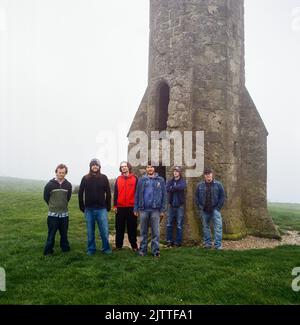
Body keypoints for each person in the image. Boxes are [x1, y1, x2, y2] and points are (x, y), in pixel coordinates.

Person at [78, 159, 112, 255]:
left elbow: (108, 193)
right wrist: (82, 206)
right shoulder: (85, 178)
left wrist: (108, 205)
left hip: (101, 209)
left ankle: (106, 249)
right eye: (93, 165)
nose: (95, 167)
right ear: (90, 167)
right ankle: (91, 249)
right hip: (89, 209)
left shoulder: (104, 178)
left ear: (99, 167)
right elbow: (80, 193)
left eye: (96, 165)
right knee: (90, 231)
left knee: (104, 231)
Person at [134, 162, 167, 257]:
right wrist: (136, 208)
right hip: (143, 209)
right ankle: (142, 250)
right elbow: (137, 195)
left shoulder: (160, 180)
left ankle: (155, 251)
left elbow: (164, 195)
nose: (150, 169)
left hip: (155, 210)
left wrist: (162, 210)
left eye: (152, 167)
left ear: (154, 168)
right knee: (143, 231)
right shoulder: (141, 180)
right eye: (148, 167)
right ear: (146, 169)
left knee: (155, 232)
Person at [43, 164, 72, 255]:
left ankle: (65, 249)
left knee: (64, 234)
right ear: (56, 172)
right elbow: (46, 197)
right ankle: (48, 251)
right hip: (53, 215)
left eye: (63, 173)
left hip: (64, 215)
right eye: (59, 172)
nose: (61, 174)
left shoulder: (68, 185)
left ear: (65, 173)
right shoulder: (49, 185)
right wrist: (53, 205)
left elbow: (68, 197)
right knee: (51, 234)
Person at [195, 167, 225, 250]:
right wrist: (200, 207)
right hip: (204, 210)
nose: (208, 175)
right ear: (204, 176)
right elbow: (196, 197)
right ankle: (207, 244)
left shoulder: (218, 184)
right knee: (205, 228)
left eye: (209, 174)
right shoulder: (199, 185)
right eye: (206, 174)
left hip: (215, 210)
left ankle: (218, 245)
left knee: (218, 227)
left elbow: (222, 197)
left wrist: (218, 208)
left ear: (212, 174)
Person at [113, 161, 138, 251]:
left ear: (128, 167)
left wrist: (137, 207)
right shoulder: (118, 179)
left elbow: (137, 194)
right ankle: (118, 246)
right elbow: (115, 193)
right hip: (120, 208)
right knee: (119, 228)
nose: (124, 168)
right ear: (121, 169)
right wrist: (115, 206)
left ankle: (134, 246)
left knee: (132, 228)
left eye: (125, 166)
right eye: (122, 166)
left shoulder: (135, 178)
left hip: (131, 208)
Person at [166, 166, 187, 247]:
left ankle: (178, 242)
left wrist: (173, 187)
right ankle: (169, 241)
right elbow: (167, 188)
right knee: (169, 224)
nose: (175, 173)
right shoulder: (170, 181)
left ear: (179, 173)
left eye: (177, 171)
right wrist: (175, 188)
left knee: (179, 224)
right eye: (174, 171)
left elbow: (181, 187)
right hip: (171, 206)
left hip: (179, 206)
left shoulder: (182, 181)